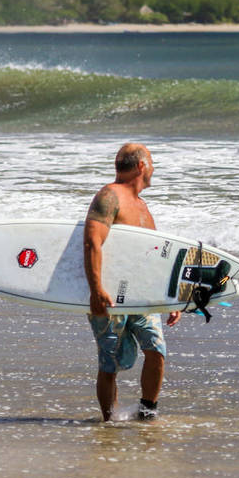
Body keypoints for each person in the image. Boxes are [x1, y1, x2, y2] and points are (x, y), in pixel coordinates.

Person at [83, 143, 180, 421]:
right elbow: (92, 242)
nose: (153, 169)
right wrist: (96, 290)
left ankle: (147, 413)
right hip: (109, 294)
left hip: (142, 295)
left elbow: (153, 258)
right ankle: (109, 422)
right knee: (109, 362)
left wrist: (170, 298)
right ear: (141, 166)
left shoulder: (142, 206)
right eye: (152, 162)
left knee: (156, 350)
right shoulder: (109, 196)